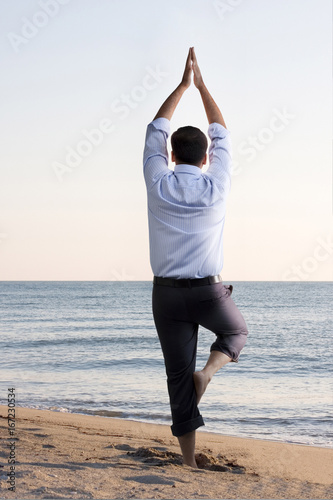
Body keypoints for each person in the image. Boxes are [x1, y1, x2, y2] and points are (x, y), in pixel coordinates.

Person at [143, 47, 248, 468]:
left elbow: (155, 129)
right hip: (208, 291)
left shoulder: (158, 182)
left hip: (166, 296)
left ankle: (187, 461)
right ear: (205, 159)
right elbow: (221, 130)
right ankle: (209, 372)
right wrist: (202, 86)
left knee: (175, 378)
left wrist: (181, 86)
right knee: (236, 333)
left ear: (171, 155)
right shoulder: (216, 185)